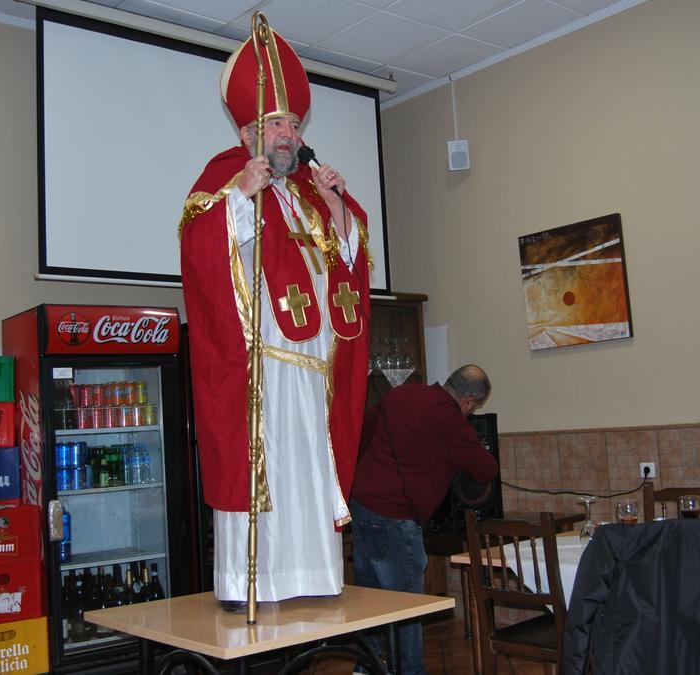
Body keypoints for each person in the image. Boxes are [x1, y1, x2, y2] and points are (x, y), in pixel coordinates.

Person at [178, 26, 372, 608]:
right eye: (278, 124)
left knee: (309, 471)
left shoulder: (311, 193)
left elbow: (347, 263)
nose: (290, 135)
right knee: (264, 470)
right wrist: (240, 193)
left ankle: (313, 576)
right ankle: (250, 584)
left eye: (294, 125)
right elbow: (198, 245)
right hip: (260, 365)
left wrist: (338, 205)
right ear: (248, 132)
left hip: (312, 368)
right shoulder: (225, 176)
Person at [350, 365, 498, 674]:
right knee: (407, 606)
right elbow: (486, 470)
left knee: (371, 599)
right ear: (469, 401)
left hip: (361, 506)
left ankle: (366, 668)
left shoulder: (401, 394)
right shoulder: (451, 421)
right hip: (396, 516)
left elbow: (362, 432)